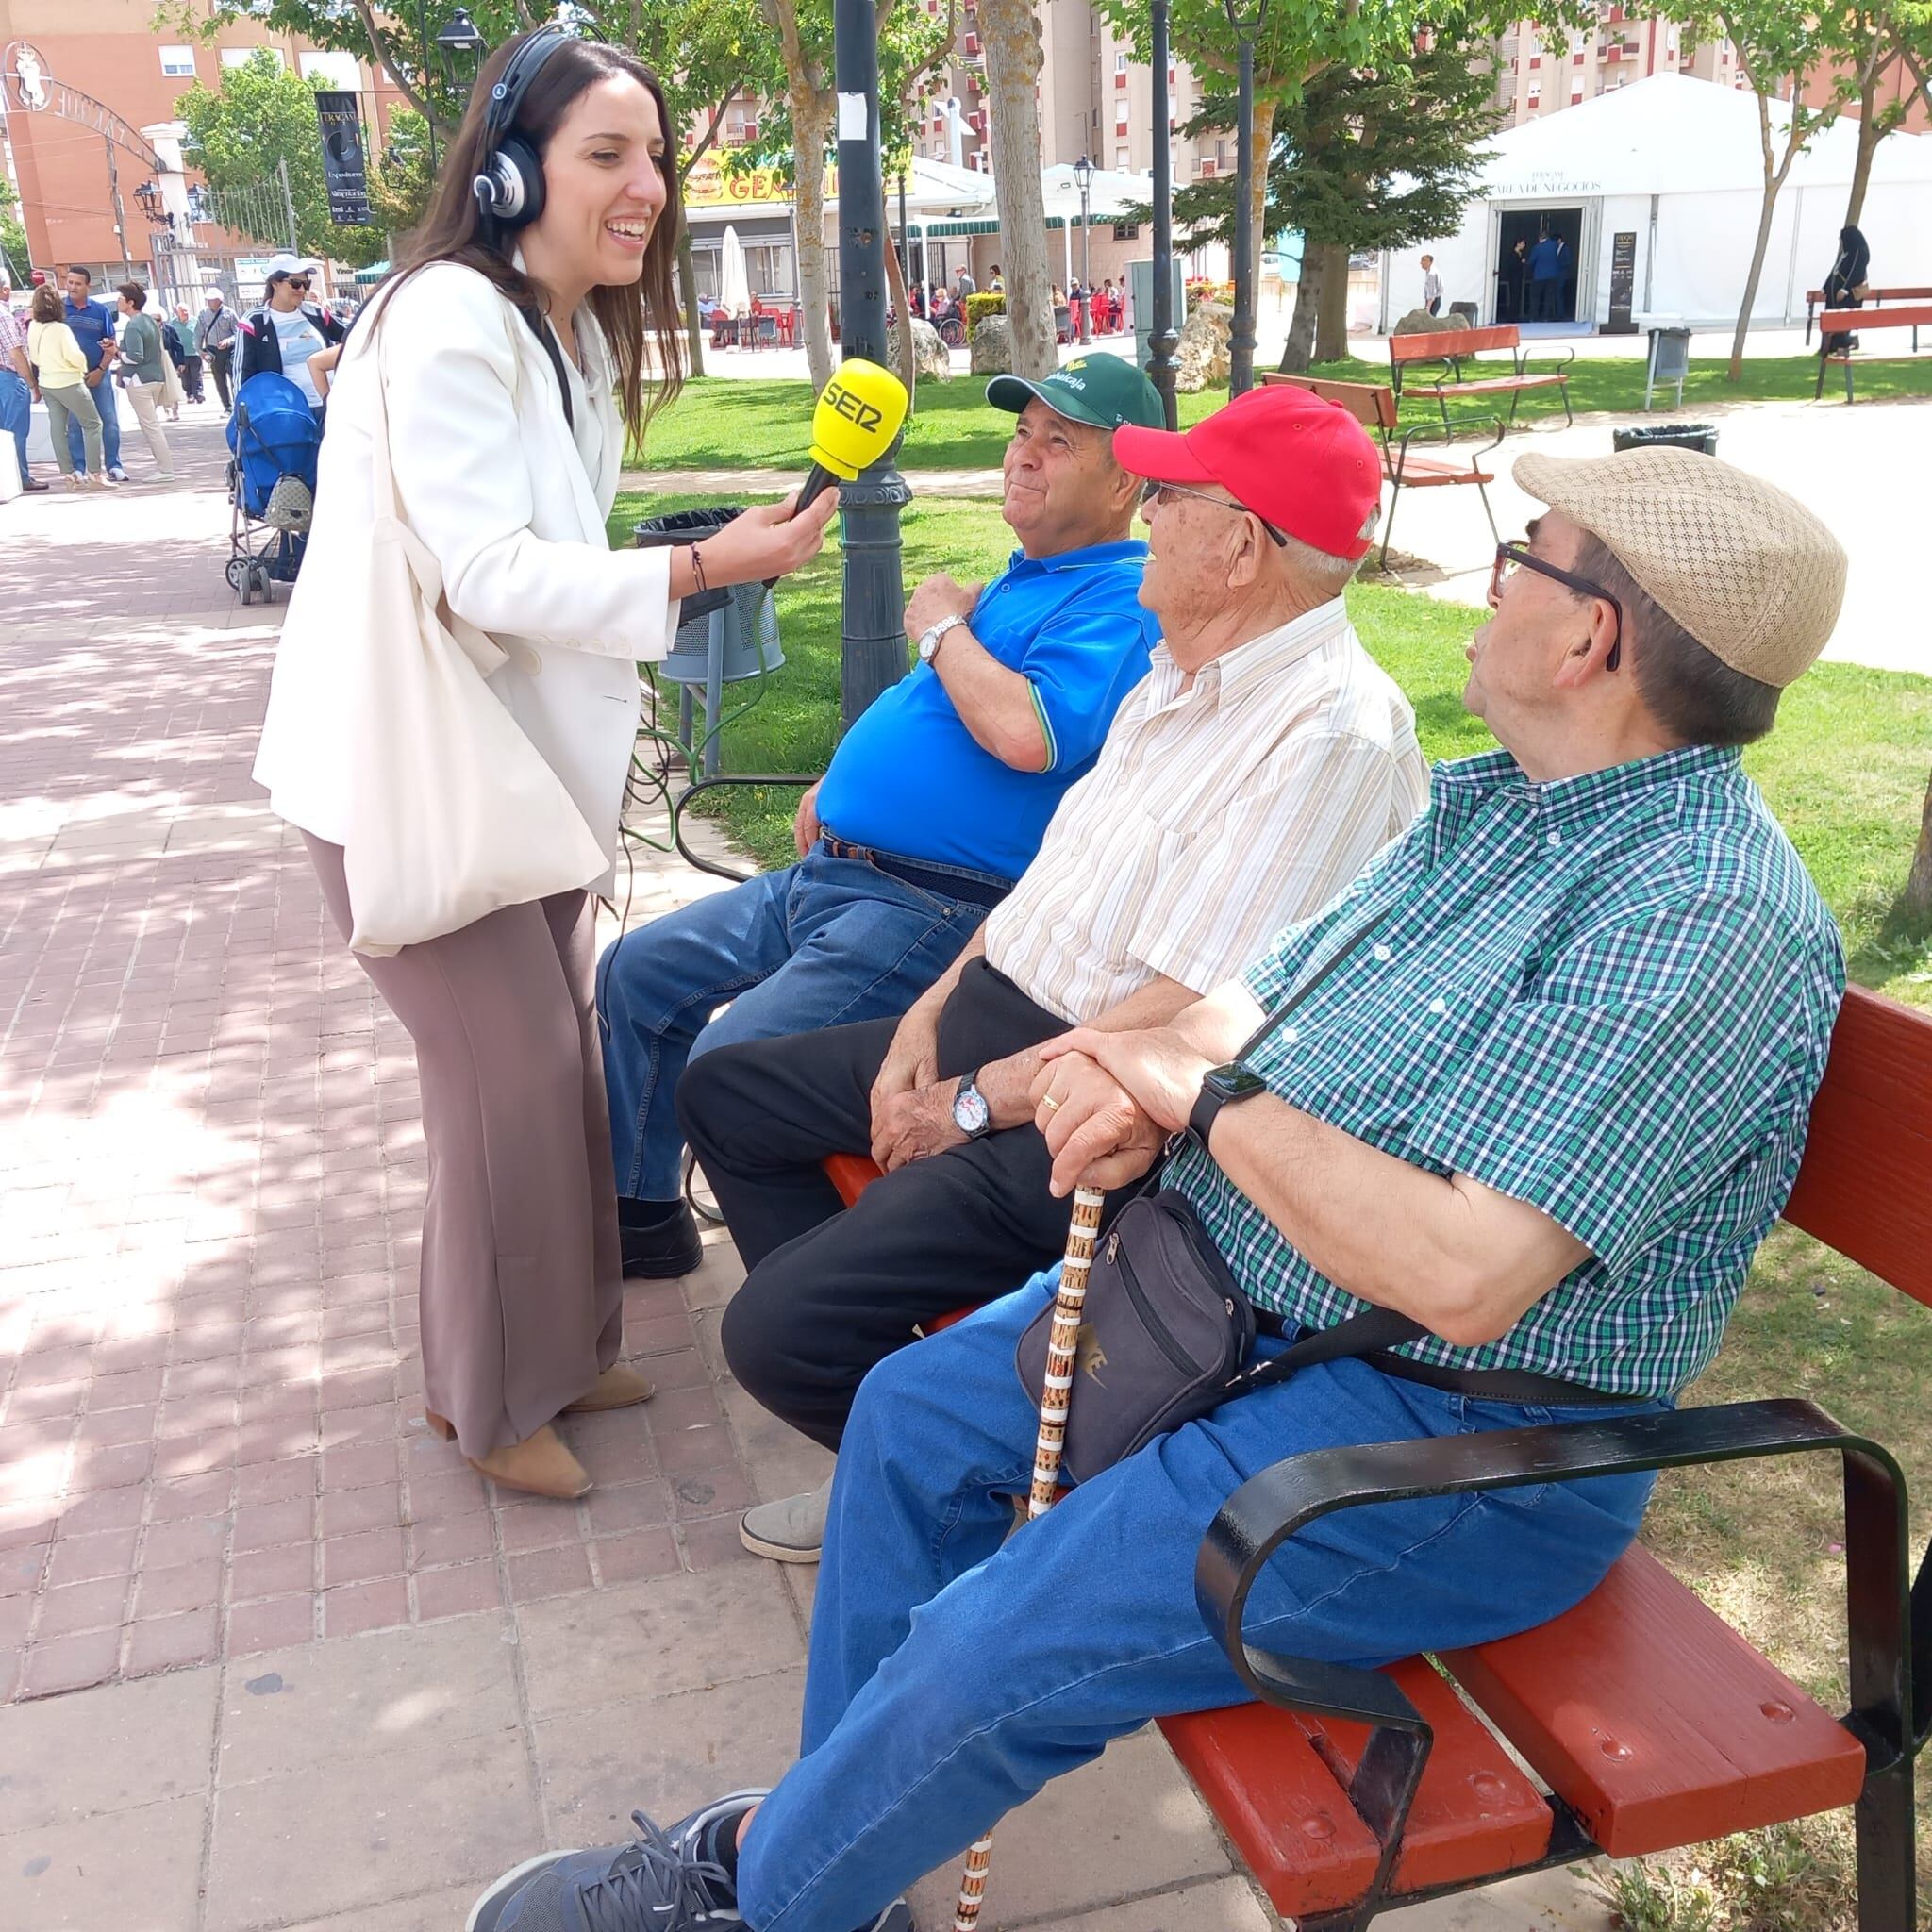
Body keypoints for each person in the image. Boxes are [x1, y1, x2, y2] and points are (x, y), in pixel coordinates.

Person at [467, 445, 1851, 1932]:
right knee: (911, 1416)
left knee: (999, 1633)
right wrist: (1141, 1085)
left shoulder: (1699, 912)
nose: (1493, 572)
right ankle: (833, 1852)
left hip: (1452, 1437)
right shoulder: (1499, 808)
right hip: (1239, 1305)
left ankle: (767, 1895)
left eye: (1527, 551)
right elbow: (1244, 1010)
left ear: (1592, 636)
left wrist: (1192, 1101)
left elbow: (1459, 1276)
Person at [679, 383, 1430, 1562]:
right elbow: (1047, 884)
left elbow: (1180, 1018)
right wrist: (924, 1015)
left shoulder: (1329, 734)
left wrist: (962, 1104)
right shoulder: (1178, 673)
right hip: (994, 1021)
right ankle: (904, 1451)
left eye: (1169, 495)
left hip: (1087, 1106)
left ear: (1239, 545)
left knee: (773, 1333)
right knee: (726, 1089)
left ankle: (963, 1517)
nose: (1147, 513)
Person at [251, 27, 839, 1502]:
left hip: (508, 780)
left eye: (655, 159)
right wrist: (706, 567)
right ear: (513, 169)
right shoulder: (451, 314)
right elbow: (489, 571)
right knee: (504, 1091)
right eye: (607, 155)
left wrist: (689, 557)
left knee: (557, 1076)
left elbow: (550, 554)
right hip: (414, 779)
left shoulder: (561, 331)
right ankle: (488, 1397)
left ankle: (564, 1350)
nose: (646, 187)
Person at [596, 357, 1169, 1280]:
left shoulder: (1116, 598)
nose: (1022, 456)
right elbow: (933, 712)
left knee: (732, 1055)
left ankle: (817, 1298)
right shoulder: (1029, 578)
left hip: (928, 905)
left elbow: (1027, 732)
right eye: (1020, 434)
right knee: (636, 972)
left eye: (1056, 442)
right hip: (837, 869)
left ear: (1126, 479)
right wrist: (843, 779)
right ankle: (642, 1216)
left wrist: (941, 627)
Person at [236, 255, 346, 417]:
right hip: (286, 415)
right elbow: (242, 374)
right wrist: (243, 416)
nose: (301, 290)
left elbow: (352, 336)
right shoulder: (254, 322)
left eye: (306, 284)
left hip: (329, 408)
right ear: (275, 283)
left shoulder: (317, 313)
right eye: (295, 284)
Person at [26, 284, 109, 490]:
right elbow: (74, 356)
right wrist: (82, 366)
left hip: (47, 382)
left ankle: (69, 475)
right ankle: (95, 474)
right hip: (69, 381)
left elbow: (34, 357)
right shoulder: (61, 329)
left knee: (58, 428)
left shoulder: (33, 326)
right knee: (93, 424)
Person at [61, 268, 126, 481]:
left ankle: (114, 465)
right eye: (69, 282)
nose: (72, 287)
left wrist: (101, 370)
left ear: (88, 286)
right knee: (73, 423)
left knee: (109, 419)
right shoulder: (60, 310)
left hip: (99, 373)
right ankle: (78, 468)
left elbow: (110, 344)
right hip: (70, 376)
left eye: (77, 283)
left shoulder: (100, 311)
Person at [112, 284, 175, 481]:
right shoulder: (149, 321)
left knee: (150, 426)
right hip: (155, 377)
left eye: (121, 297)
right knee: (152, 424)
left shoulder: (133, 325)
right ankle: (164, 468)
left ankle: (165, 469)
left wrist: (116, 352)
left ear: (131, 302)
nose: (118, 301)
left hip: (139, 380)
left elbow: (135, 356)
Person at [0, 271, 50, 493]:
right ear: (5, 290)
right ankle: (20, 476)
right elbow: (15, 353)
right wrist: (32, 383)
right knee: (15, 433)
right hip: (9, 379)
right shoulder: (5, 316)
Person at [1821, 224, 1870, 355]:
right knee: (1833, 317)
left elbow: (1855, 272)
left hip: (1849, 295)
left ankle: (1845, 344)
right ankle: (1830, 346)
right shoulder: (1845, 253)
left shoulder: (1859, 252)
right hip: (1835, 294)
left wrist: (1845, 289)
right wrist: (1826, 287)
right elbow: (1835, 270)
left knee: (1844, 320)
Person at [198, 290, 238, 409]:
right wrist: (200, 351)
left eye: (212, 300)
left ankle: (237, 404)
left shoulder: (229, 313)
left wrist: (228, 341)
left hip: (229, 351)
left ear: (219, 300)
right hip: (213, 351)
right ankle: (227, 406)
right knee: (219, 380)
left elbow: (239, 333)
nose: (209, 302)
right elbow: (198, 333)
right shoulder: (203, 314)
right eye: (208, 300)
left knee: (234, 378)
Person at [170, 303, 205, 404]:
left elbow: (201, 334)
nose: (185, 313)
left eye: (186, 310)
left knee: (196, 374)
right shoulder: (173, 323)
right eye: (182, 311)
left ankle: (198, 393)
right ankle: (189, 394)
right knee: (185, 376)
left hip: (195, 352)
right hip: (181, 354)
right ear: (177, 312)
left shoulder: (195, 321)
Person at [1526, 229, 1563, 322]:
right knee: (1549, 297)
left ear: (1540, 238)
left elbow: (1532, 261)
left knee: (1535, 297)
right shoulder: (1554, 245)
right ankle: (1546, 317)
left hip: (1539, 276)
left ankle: (1533, 317)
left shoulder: (1537, 248)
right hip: (1553, 275)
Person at [1421, 252, 1443, 316]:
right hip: (1432, 300)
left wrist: (1428, 307)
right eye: (1422, 260)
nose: (1421, 263)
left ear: (1430, 262)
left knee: (1429, 320)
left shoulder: (1431, 274)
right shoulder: (1429, 271)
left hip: (1433, 301)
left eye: (1424, 260)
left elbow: (1432, 292)